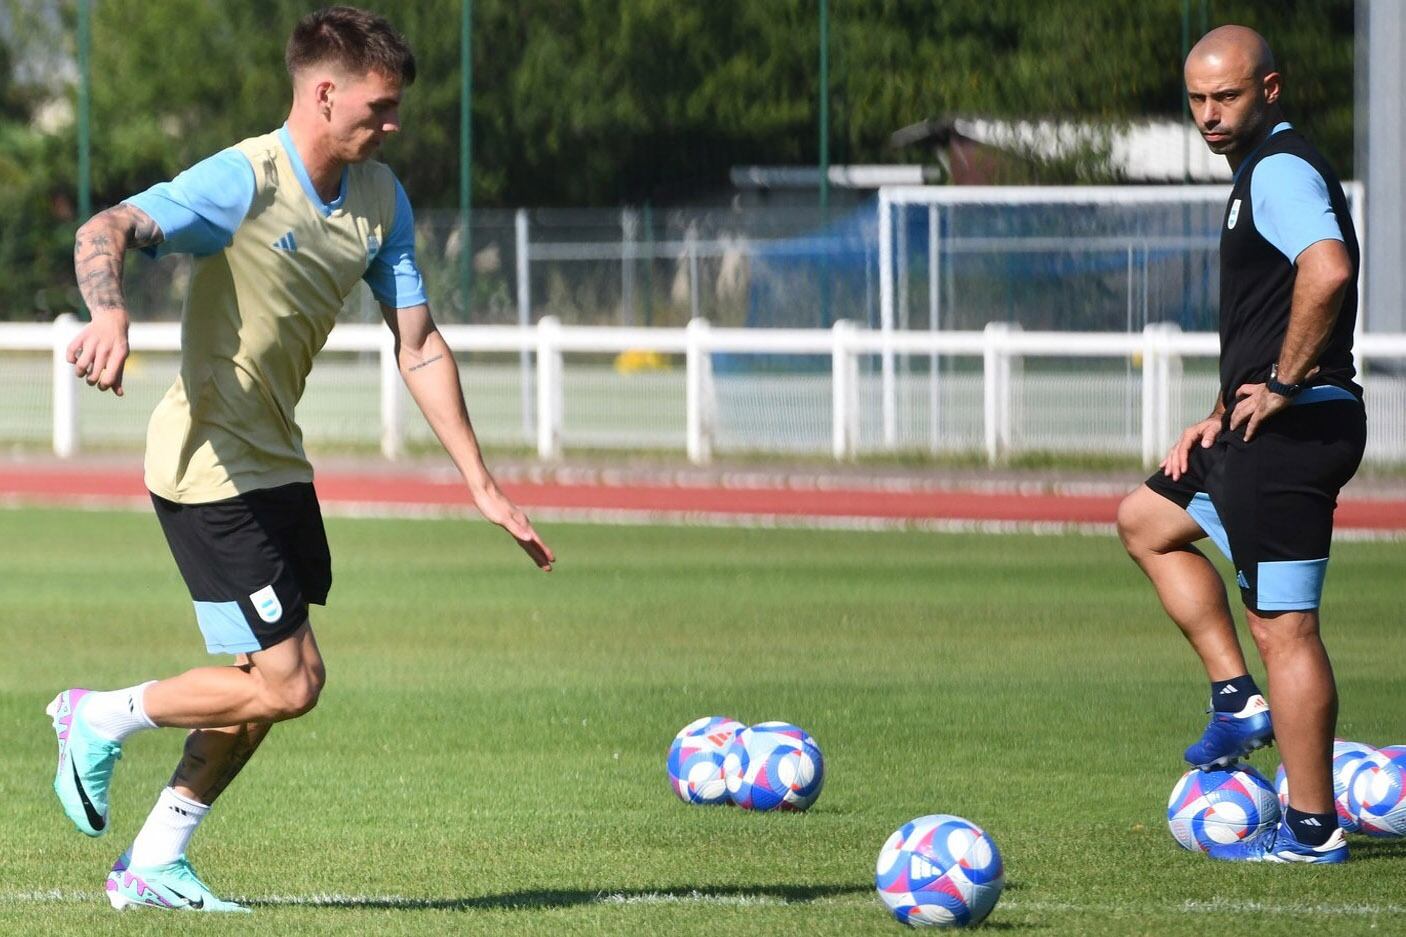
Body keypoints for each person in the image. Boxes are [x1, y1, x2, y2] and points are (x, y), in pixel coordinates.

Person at [49, 6, 553, 911]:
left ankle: (153, 862)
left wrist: (483, 484)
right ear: (326, 94)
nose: (393, 122)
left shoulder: (381, 199)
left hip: (279, 465)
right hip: (208, 468)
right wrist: (112, 313)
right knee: (293, 681)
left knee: (260, 687)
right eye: (381, 105)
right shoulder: (243, 180)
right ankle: (96, 715)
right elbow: (105, 226)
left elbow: (421, 345)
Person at [1117, 25, 1364, 864]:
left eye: (1227, 96)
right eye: (1197, 99)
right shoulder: (1259, 172)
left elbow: (1325, 269)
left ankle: (1309, 828)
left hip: (1292, 432)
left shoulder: (1281, 168)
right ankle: (1236, 702)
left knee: (1286, 630)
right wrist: (1218, 408)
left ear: (1270, 89)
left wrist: (1286, 384)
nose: (1209, 115)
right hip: (1258, 424)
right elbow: (1269, 313)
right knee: (1145, 518)